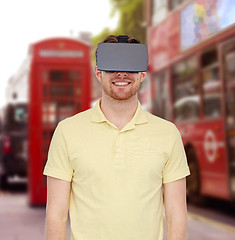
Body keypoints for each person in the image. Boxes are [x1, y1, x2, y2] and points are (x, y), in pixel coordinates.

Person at [43, 35, 190, 240]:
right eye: (112, 66)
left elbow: (176, 216)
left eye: (130, 65)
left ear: (142, 74)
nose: (121, 73)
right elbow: (56, 216)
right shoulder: (67, 131)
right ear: (98, 73)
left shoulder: (168, 134)